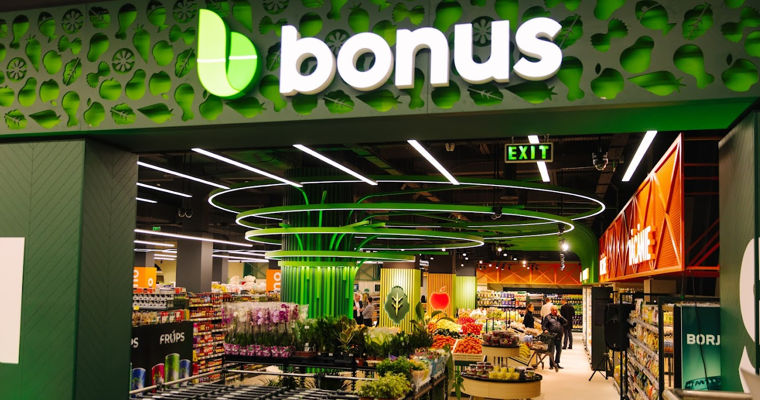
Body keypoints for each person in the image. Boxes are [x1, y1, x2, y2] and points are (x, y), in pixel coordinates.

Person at [542, 306, 567, 370]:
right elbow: (544, 325)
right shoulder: (548, 317)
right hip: (551, 336)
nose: (555, 311)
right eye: (553, 310)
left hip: (559, 335)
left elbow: (565, 322)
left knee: (559, 350)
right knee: (551, 351)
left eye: (556, 310)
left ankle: (557, 363)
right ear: (551, 310)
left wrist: (560, 317)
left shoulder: (559, 317)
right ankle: (551, 364)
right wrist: (545, 330)